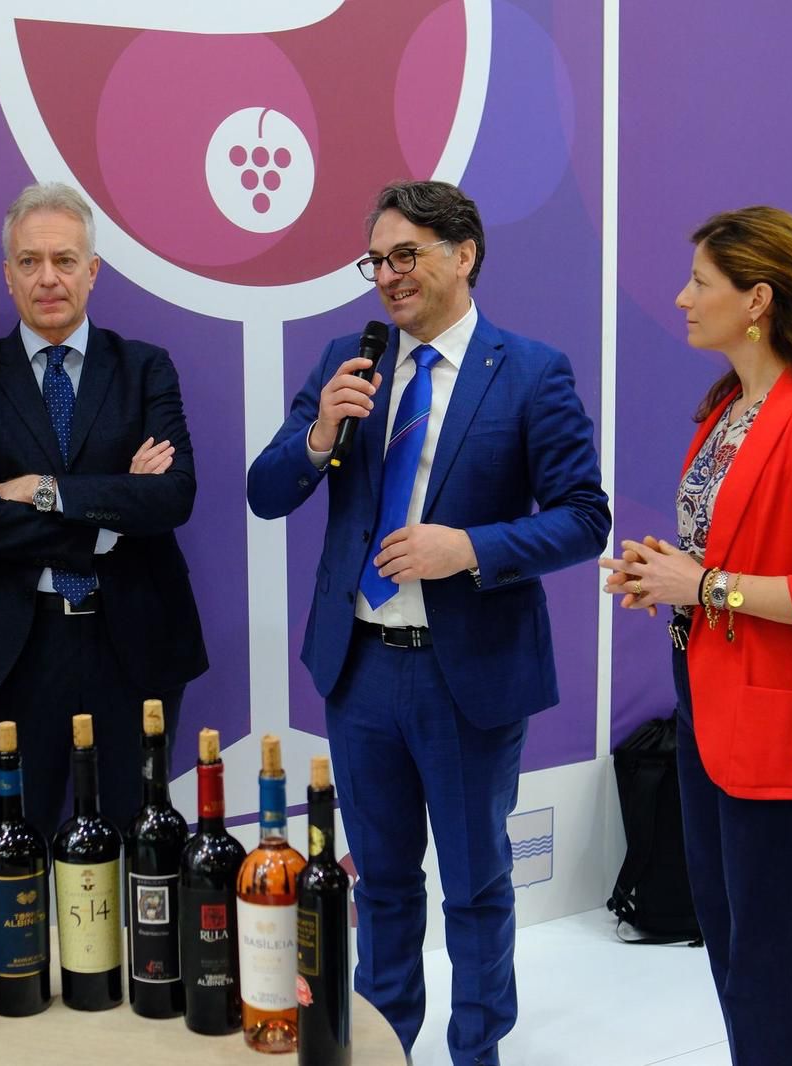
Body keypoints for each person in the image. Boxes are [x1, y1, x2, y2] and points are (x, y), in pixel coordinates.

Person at [247, 180, 609, 1065]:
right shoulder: (350, 361)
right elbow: (266, 490)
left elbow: (584, 517)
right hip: (361, 668)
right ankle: (386, 1047)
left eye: (405, 254)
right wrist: (319, 435)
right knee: (381, 883)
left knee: (478, 886)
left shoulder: (531, 372)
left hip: (469, 674)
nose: (388, 275)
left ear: (464, 254)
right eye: (376, 260)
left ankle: (476, 1050)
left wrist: (469, 548)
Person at [600, 206, 792, 1066]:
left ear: (757, 299)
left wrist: (703, 587)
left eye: (701, 282)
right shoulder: (726, 408)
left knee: (770, 962)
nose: (682, 298)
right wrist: (667, 576)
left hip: (780, 727)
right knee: (731, 944)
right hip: (707, 707)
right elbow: (734, 552)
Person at [0, 181, 207, 834]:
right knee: (18, 843)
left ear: (93, 271)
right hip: (14, 649)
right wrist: (108, 522)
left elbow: (172, 496)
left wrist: (44, 490)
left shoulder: (145, 369)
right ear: (8, 275)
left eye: (64, 260)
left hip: (133, 642)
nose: (48, 278)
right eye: (30, 262)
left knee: (141, 840)